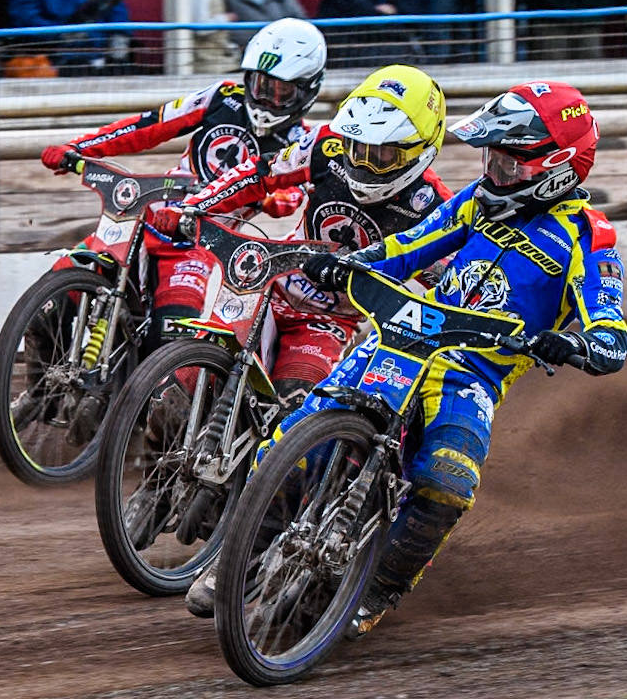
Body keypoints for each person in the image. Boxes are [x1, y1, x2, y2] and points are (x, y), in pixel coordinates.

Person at [208, 82, 627, 637]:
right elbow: (408, 248)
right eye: (492, 157)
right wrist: (349, 265)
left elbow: (611, 330)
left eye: (508, 161)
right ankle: (237, 558)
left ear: (556, 166)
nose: (494, 170)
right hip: (400, 339)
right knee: (291, 436)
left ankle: (377, 589)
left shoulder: (587, 236)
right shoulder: (476, 202)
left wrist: (578, 344)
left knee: (449, 480)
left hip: (470, 376)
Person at [153, 65, 451, 448]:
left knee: (292, 424)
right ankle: (151, 489)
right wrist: (193, 207)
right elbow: (258, 174)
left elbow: (450, 287)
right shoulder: (325, 144)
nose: (361, 162)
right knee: (174, 395)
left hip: (328, 322)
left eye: (382, 155)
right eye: (356, 147)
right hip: (268, 290)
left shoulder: (435, 208)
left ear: (420, 152)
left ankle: (267, 505)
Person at [37, 17, 326, 349]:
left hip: (196, 246)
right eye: (260, 85)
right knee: (47, 305)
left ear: (307, 90)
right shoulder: (221, 98)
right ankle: (39, 396)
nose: (266, 99)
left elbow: (291, 197)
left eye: (281, 91)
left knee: (166, 345)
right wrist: (78, 148)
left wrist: (269, 200)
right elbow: (148, 126)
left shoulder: (303, 143)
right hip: (142, 218)